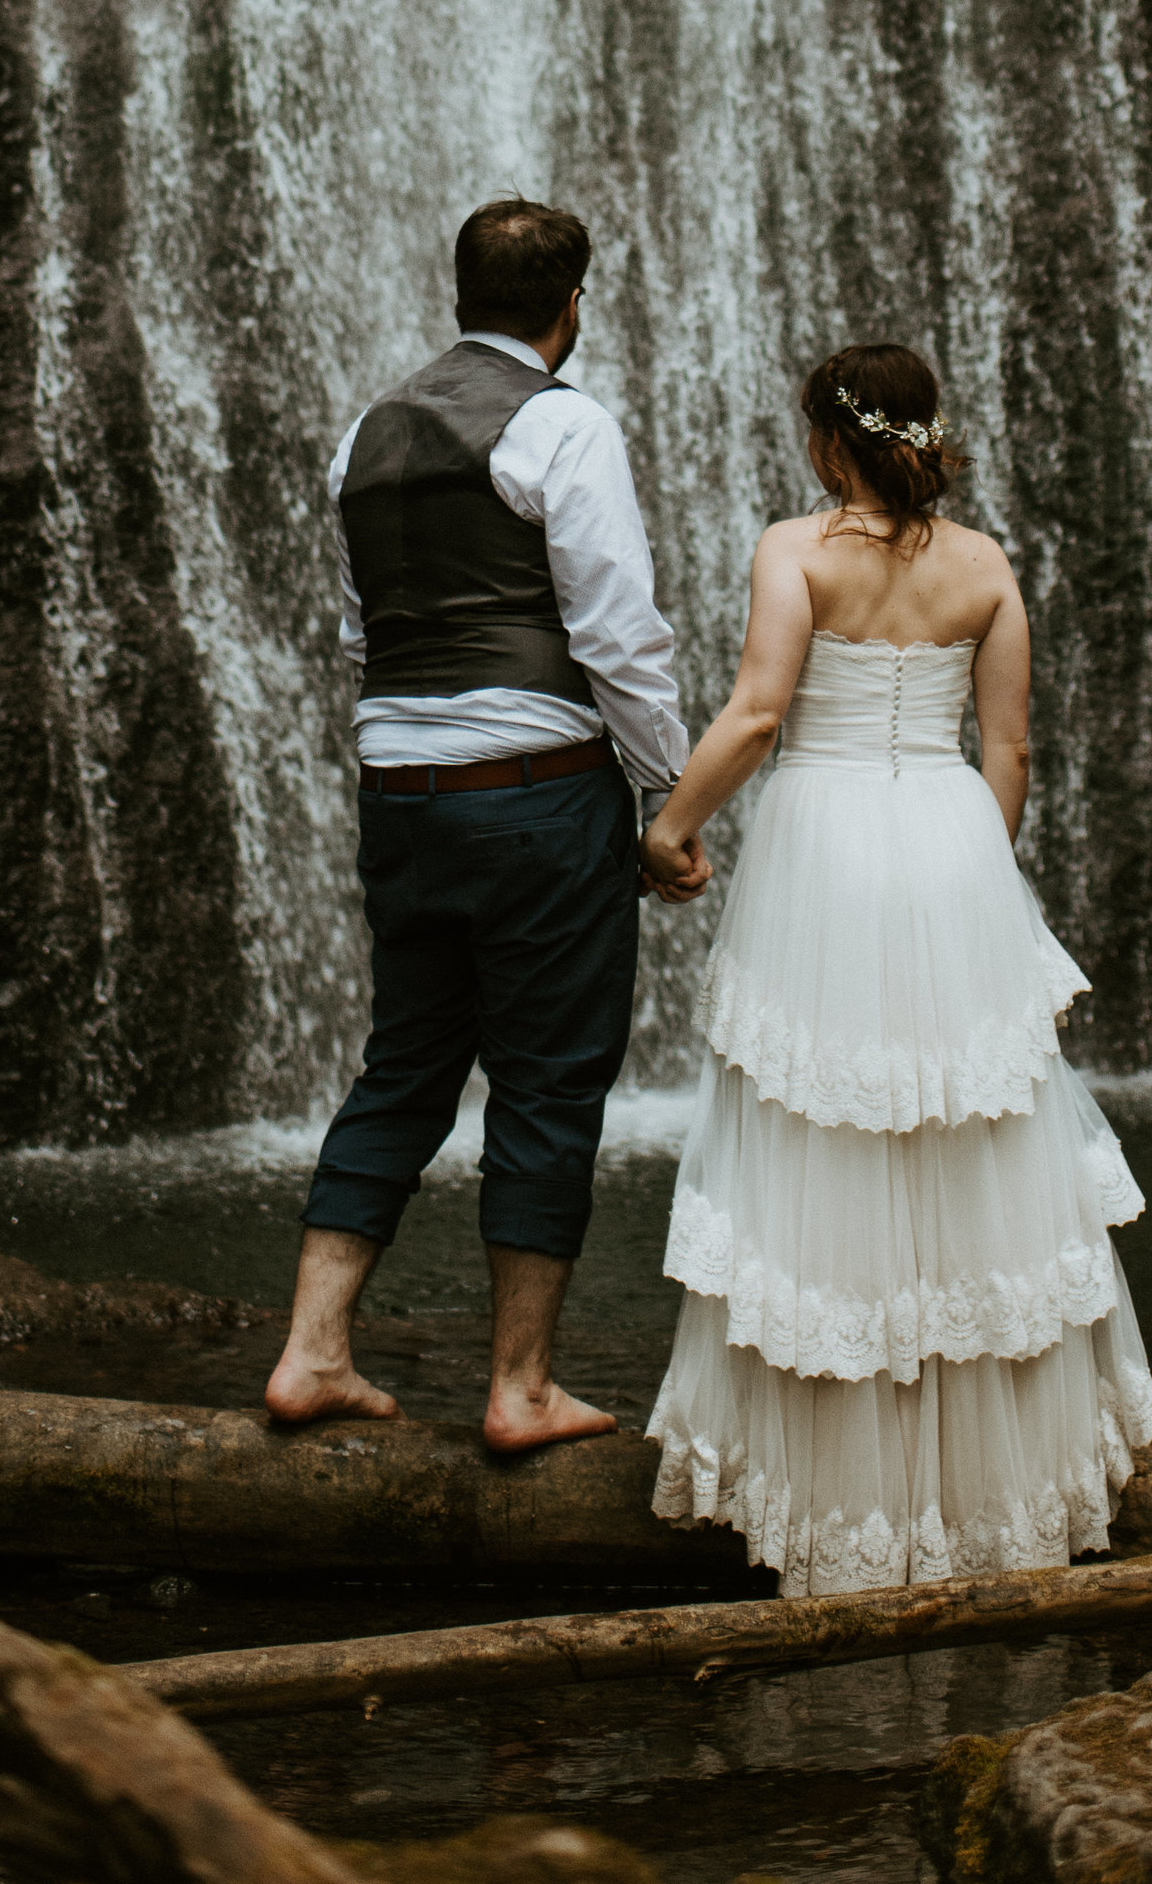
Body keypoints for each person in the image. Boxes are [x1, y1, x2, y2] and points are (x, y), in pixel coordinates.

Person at [639, 344, 1152, 1593]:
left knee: (824, 1136)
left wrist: (669, 827)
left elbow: (761, 714)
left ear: (831, 441)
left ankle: (834, 1490)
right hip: (949, 841)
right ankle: (993, 1487)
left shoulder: (796, 549)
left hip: (823, 848)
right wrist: (975, 874)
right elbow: (1011, 746)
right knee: (968, 1140)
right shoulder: (985, 565)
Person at [264, 197, 704, 1452]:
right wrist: (667, 794)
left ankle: (310, 1353)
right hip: (534, 793)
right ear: (570, 308)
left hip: (399, 792)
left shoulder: (367, 431)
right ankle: (519, 1388)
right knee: (549, 1080)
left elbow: (363, 633)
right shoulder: (563, 425)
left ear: (460, 293)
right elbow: (616, 633)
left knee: (403, 1063)